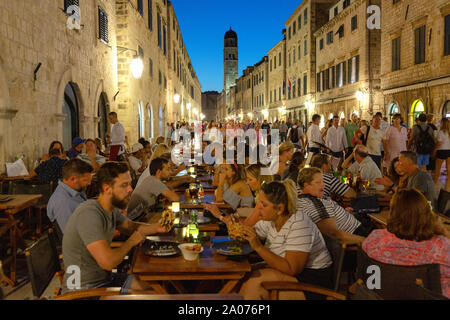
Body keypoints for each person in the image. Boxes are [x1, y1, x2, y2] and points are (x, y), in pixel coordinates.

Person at [62, 162, 169, 293]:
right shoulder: (89, 214)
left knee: (157, 288)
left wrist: (158, 227)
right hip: (83, 289)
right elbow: (108, 263)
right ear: (107, 188)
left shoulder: (110, 209)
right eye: (124, 185)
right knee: (152, 294)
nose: (130, 189)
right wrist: (131, 242)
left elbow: (131, 227)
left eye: (130, 184)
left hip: (104, 279)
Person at [238, 180, 333, 300]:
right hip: (288, 272)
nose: (258, 209)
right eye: (258, 203)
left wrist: (258, 247)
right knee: (243, 277)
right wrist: (240, 232)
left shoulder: (299, 224)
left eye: (264, 205)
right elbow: (250, 234)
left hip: (312, 280)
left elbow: (291, 268)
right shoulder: (272, 220)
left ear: (280, 209)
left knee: (254, 284)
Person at [362, 188, 450, 299]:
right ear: (427, 213)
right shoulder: (442, 247)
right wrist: (443, 231)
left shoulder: (375, 240)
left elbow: (367, 278)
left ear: (392, 213)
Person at [297, 167, 369, 245]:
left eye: (323, 181)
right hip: (356, 236)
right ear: (306, 185)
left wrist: (342, 212)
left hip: (355, 226)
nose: (323, 184)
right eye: (318, 182)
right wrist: (365, 240)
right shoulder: (317, 205)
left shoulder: (301, 200)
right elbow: (335, 234)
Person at [47, 159, 93, 232]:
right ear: (73, 179)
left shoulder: (75, 190)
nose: (89, 183)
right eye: (85, 180)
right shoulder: (62, 203)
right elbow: (71, 235)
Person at [434, 118, 449, 187]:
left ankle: (435, 184)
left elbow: (439, 143)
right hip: (449, 150)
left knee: (438, 169)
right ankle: (448, 184)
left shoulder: (441, 132)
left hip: (441, 150)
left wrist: (434, 150)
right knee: (448, 168)